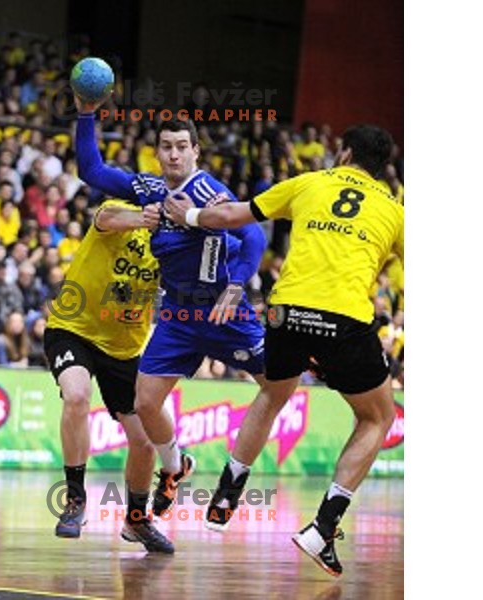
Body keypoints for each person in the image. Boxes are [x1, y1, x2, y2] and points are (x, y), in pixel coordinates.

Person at [164, 124, 404, 578]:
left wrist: (190, 216)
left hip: (285, 313)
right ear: (382, 168)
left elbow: (234, 215)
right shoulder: (395, 211)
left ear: (345, 152)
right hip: (343, 322)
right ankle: (323, 527)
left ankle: (227, 493)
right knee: (378, 417)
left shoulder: (309, 182)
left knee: (273, 395)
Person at [73, 94, 267, 518]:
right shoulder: (150, 188)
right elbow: (91, 170)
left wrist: (236, 288)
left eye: (182, 146)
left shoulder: (211, 194)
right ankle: (176, 468)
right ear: (157, 151)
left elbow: (254, 237)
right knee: (145, 403)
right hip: (178, 316)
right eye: (167, 146)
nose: (174, 153)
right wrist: (86, 112)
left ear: (196, 151)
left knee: (276, 387)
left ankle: (236, 482)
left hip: (223, 311)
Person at [43, 197, 175, 553]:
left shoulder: (175, 244)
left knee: (144, 441)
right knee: (76, 395)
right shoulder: (121, 211)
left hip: (125, 347)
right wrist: (144, 218)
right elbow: (107, 216)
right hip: (74, 329)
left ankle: (136, 520)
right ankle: (75, 501)